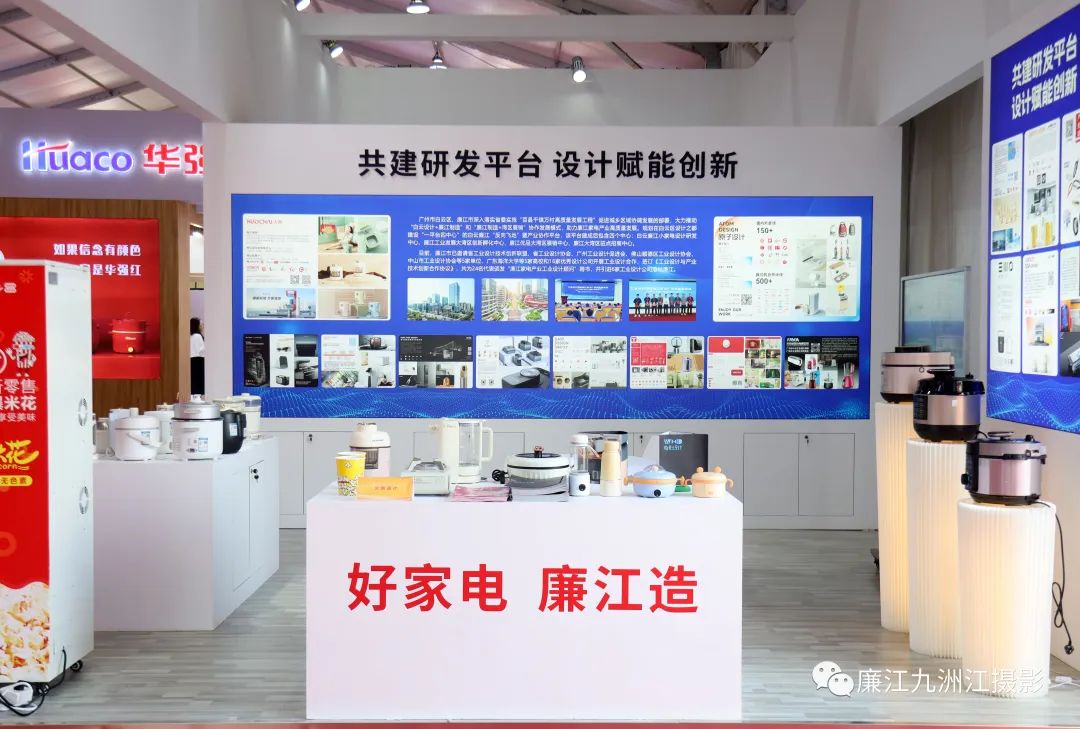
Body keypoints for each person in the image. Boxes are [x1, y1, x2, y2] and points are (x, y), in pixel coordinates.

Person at [190, 317, 206, 395]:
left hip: (193, 361)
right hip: (198, 361)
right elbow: (201, 351)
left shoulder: (192, 336)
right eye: (201, 324)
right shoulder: (197, 336)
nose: (203, 326)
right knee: (198, 383)